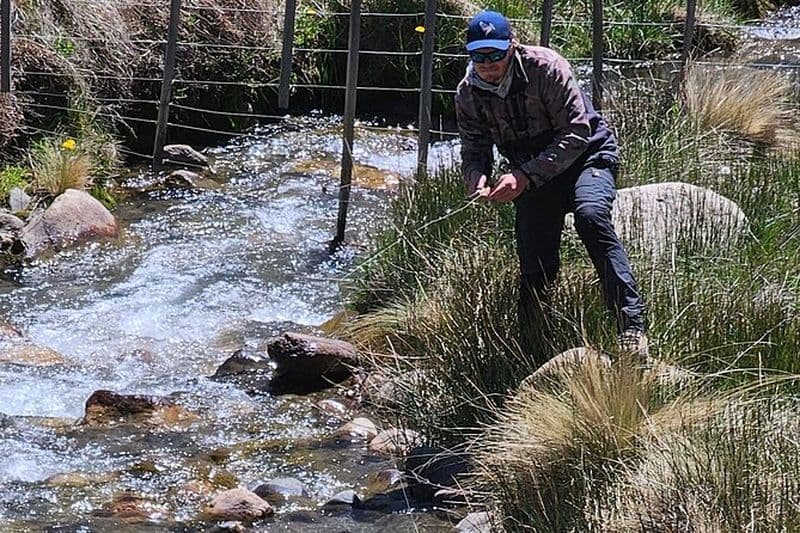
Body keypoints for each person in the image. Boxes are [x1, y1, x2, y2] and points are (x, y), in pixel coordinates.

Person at [454, 10, 648, 360]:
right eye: (479, 56)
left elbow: (577, 133)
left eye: (496, 54)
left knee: (591, 217)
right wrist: (476, 177)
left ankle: (631, 329)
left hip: (587, 157)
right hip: (531, 171)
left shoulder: (547, 68)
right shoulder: (467, 94)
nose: (488, 64)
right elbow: (474, 148)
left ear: (511, 47)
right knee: (534, 255)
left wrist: (524, 176)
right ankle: (531, 344)